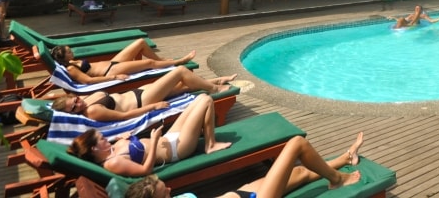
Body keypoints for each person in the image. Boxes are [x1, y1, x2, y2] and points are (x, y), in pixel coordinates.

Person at [123, 133, 364, 198]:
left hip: (242, 193)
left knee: (299, 172)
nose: (168, 190)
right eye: (163, 192)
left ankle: (345, 157)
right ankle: (337, 180)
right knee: (297, 144)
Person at [68, 94, 231, 177]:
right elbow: (146, 170)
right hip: (177, 149)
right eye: (101, 139)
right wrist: (153, 142)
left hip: (168, 138)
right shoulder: (113, 163)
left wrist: (127, 137)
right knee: (207, 100)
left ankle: (203, 133)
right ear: (95, 148)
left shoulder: (111, 151)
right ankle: (210, 145)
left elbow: (133, 151)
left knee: (200, 97)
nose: (105, 138)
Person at [49, 66, 237, 122]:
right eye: (74, 109)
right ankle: (215, 89)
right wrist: (153, 106)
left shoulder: (84, 99)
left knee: (184, 85)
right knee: (180, 72)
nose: (77, 105)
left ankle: (217, 80)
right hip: (143, 101)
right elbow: (125, 115)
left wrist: (114, 76)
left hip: (139, 92)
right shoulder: (92, 112)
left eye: (74, 101)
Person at [49, 40, 197, 85]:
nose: (72, 51)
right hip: (111, 71)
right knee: (148, 63)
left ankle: (163, 61)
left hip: (112, 62)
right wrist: (113, 77)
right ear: (64, 58)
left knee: (140, 43)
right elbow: (88, 80)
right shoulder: (71, 69)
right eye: (69, 51)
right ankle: (180, 61)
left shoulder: (73, 61)